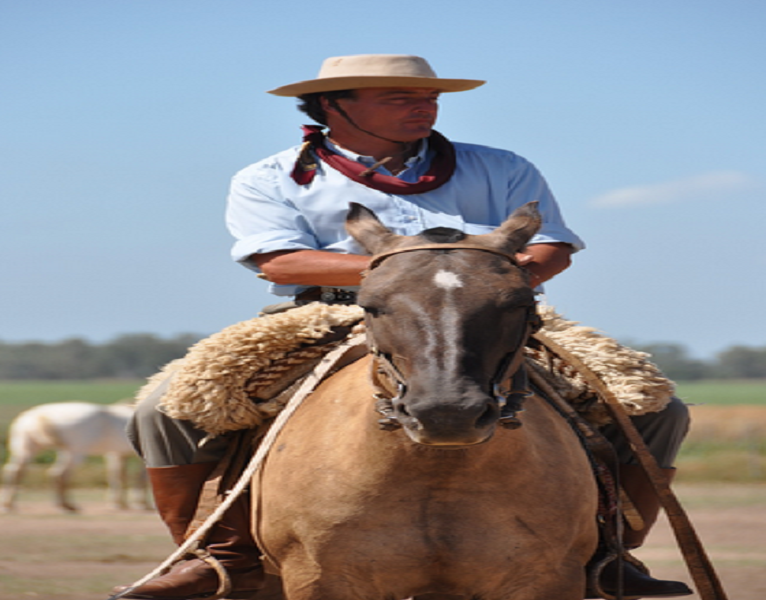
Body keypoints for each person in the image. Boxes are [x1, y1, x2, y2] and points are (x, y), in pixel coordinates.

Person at [114, 54, 691, 600]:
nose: (425, 107)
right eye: (400, 98)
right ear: (334, 106)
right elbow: (278, 261)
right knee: (167, 406)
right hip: (325, 313)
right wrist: (411, 273)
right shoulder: (269, 178)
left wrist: (479, 277)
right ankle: (218, 554)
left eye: (430, 97)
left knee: (655, 405)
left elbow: (552, 247)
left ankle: (614, 550)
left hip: (486, 311)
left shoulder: (503, 166)